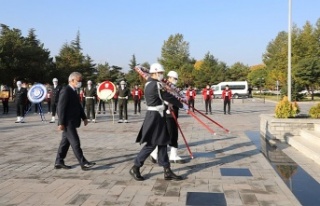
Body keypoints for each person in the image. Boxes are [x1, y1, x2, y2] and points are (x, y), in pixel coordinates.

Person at [129, 63, 188, 181]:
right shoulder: (155, 84)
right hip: (155, 117)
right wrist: (182, 105)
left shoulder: (149, 84)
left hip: (157, 115)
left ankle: (167, 170)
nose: (162, 75)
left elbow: (162, 97)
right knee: (151, 144)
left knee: (162, 142)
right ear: (155, 73)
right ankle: (135, 166)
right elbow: (167, 96)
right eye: (160, 73)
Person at [55, 72, 96, 170]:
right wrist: (61, 123)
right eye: (79, 80)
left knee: (65, 143)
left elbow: (78, 106)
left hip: (73, 121)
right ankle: (83, 163)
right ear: (72, 80)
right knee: (75, 142)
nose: (80, 83)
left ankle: (59, 161)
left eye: (81, 81)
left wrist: (84, 117)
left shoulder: (74, 91)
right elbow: (60, 108)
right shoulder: (66, 90)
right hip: (67, 122)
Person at [150, 70, 185, 164]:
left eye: (176, 79)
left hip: (172, 114)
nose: (175, 80)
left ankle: (163, 154)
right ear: (169, 78)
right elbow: (166, 98)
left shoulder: (173, 88)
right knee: (168, 135)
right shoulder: (164, 87)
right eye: (174, 78)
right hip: (168, 114)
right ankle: (157, 153)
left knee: (170, 134)